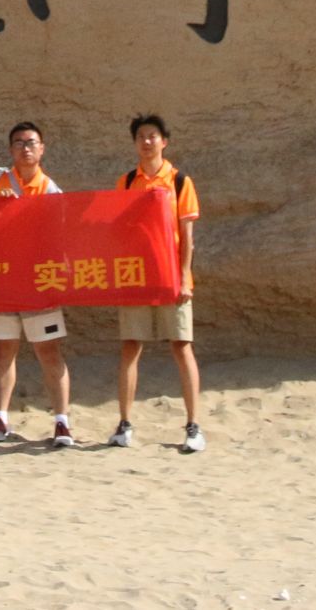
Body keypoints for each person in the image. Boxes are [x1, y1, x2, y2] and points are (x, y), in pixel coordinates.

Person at [0, 121, 76, 446]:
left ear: (42, 148)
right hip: (3, 279)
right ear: (11, 149)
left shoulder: (52, 190)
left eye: (31, 142)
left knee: (49, 350)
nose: (25, 148)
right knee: (4, 349)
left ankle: (62, 423)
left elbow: (60, 237)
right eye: (19, 142)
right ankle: (0, 420)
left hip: (39, 283)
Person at [114, 111, 205, 454]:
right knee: (130, 346)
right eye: (141, 136)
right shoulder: (126, 182)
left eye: (153, 136)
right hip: (137, 277)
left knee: (181, 346)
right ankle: (124, 424)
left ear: (164, 142)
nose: (147, 141)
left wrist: (184, 278)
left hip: (171, 277)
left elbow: (187, 235)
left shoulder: (180, 181)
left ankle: (193, 426)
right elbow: (120, 230)